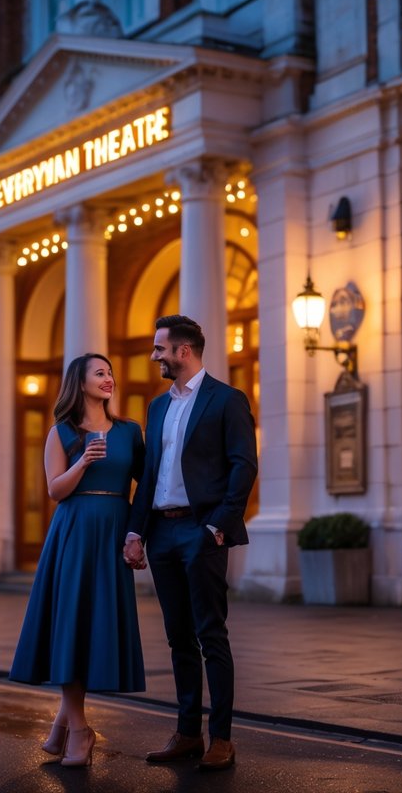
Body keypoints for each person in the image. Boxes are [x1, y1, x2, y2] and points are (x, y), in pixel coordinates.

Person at [123, 315, 258, 772]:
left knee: (210, 635)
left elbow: (244, 467)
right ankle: (186, 734)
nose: (154, 356)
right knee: (177, 637)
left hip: (202, 532)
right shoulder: (158, 408)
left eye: (160, 349)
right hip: (162, 533)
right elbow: (152, 477)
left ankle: (221, 737)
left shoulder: (227, 400)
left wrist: (217, 526)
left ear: (183, 351)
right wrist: (136, 531)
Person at [10, 352, 146, 768]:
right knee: (72, 626)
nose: (109, 379)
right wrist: (84, 461)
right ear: (80, 382)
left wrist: (138, 534)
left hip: (112, 530)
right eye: (100, 373)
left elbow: (148, 484)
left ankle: (62, 726)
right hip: (73, 532)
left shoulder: (129, 431)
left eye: (111, 373)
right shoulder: (61, 433)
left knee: (95, 627)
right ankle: (81, 730)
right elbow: (55, 490)